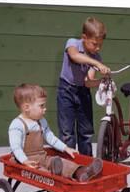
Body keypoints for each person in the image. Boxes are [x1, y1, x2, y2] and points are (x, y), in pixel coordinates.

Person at [8, 84, 103, 182]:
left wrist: (65, 148)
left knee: (61, 162)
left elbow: (51, 138)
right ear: (27, 107)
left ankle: (82, 172)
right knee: (41, 172)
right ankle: (55, 177)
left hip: (41, 157)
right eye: (41, 106)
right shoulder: (17, 125)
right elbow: (16, 147)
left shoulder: (41, 121)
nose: (45, 109)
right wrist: (25, 161)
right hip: (23, 160)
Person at [56, 17, 111, 156]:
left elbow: (88, 81)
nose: (98, 48)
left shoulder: (96, 57)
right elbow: (74, 56)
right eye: (94, 44)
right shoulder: (73, 43)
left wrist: (102, 81)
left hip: (83, 92)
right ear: (84, 37)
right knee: (67, 133)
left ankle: (87, 165)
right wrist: (97, 64)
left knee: (86, 133)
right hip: (66, 91)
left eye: (100, 45)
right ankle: (68, 164)